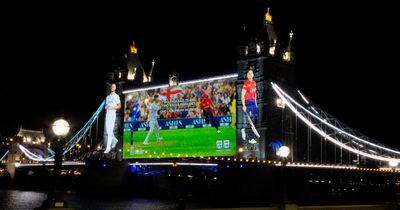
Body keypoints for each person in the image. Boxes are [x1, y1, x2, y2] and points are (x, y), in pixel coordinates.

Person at [241, 70, 258, 144]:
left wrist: (256, 104)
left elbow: (255, 94)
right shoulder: (246, 84)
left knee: (255, 120)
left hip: (253, 102)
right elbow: (242, 95)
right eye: (248, 73)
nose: (250, 74)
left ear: (253, 75)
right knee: (250, 120)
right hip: (248, 102)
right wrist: (244, 105)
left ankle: (249, 135)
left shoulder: (254, 83)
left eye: (251, 73)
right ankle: (245, 131)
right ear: (247, 75)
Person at [104, 83, 121, 153]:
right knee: (108, 131)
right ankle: (114, 140)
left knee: (110, 130)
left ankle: (108, 147)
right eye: (111, 86)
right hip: (107, 114)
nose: (112, 87)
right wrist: (107, 107)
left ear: (115, 88)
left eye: (113, 86)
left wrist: (113, 107)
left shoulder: (116, 96)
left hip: (112, 114)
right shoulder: (107, 97)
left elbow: (119, 106)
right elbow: (105, 107)